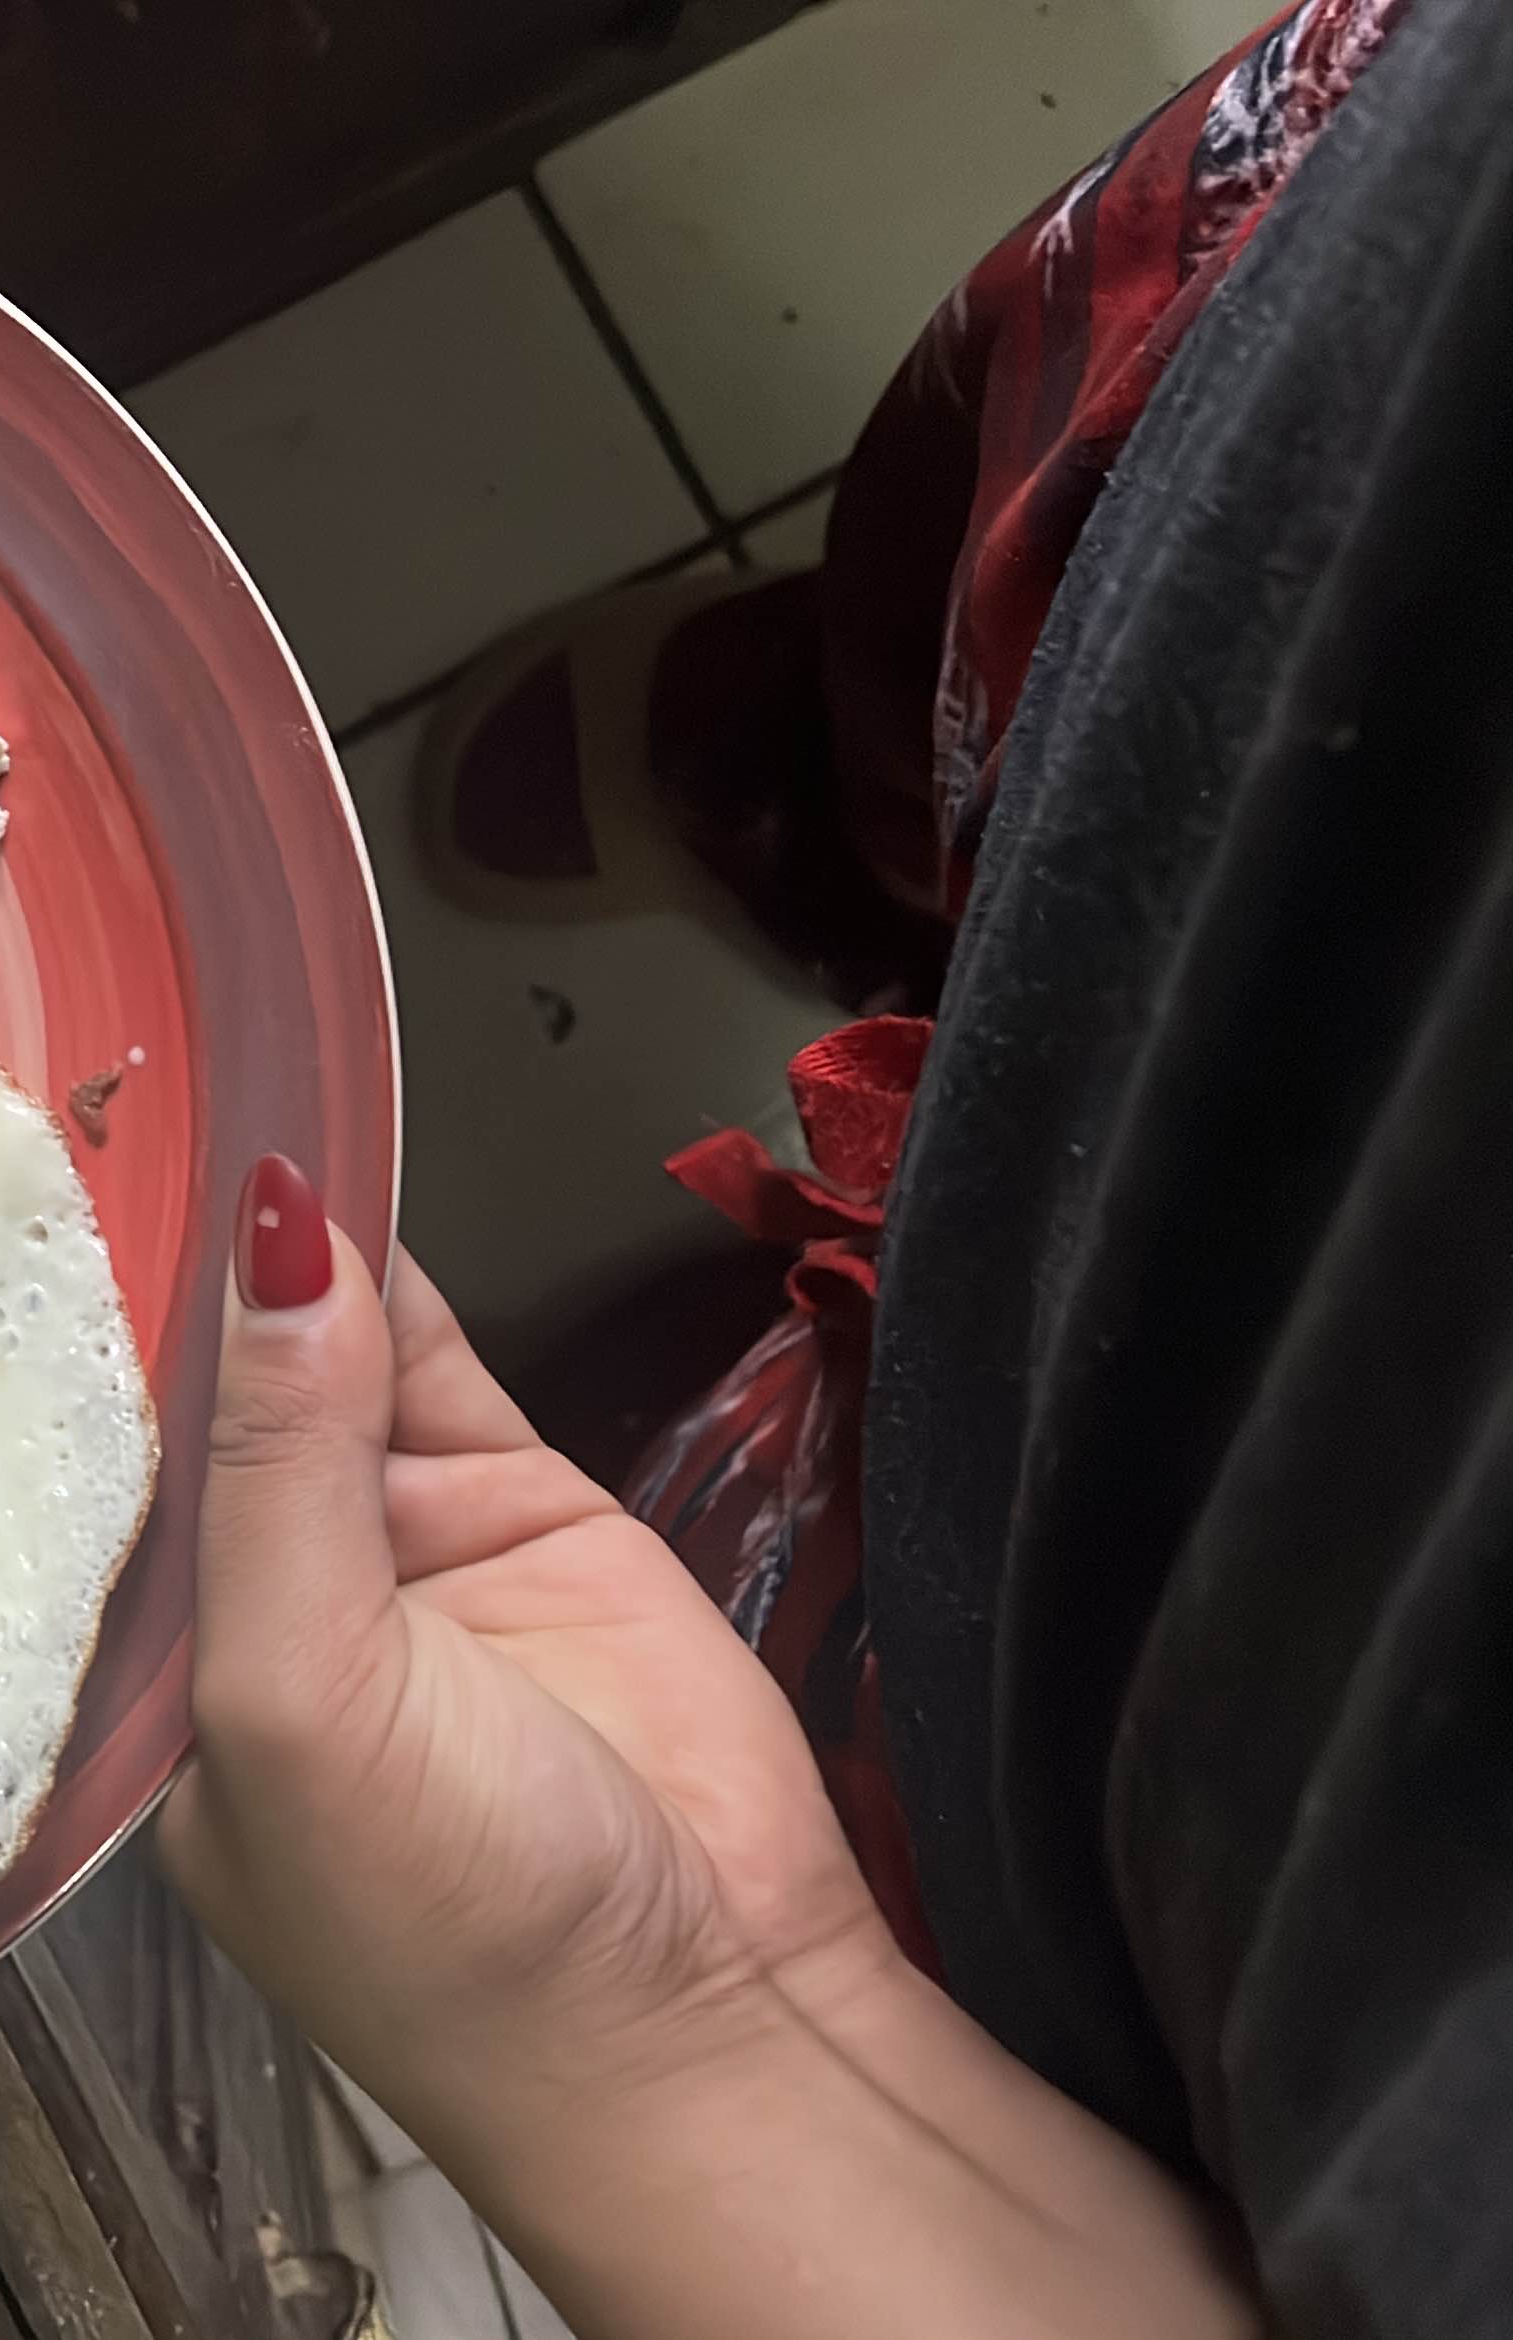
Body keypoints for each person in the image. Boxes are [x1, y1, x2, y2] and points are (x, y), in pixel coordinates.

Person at [157, 0, 1513, 2330]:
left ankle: (858, 1329)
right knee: (1003, 633)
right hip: (1388, 394)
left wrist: (671, 2031)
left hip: (1168, 1753)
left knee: (841, 1551)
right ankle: (811, 794)